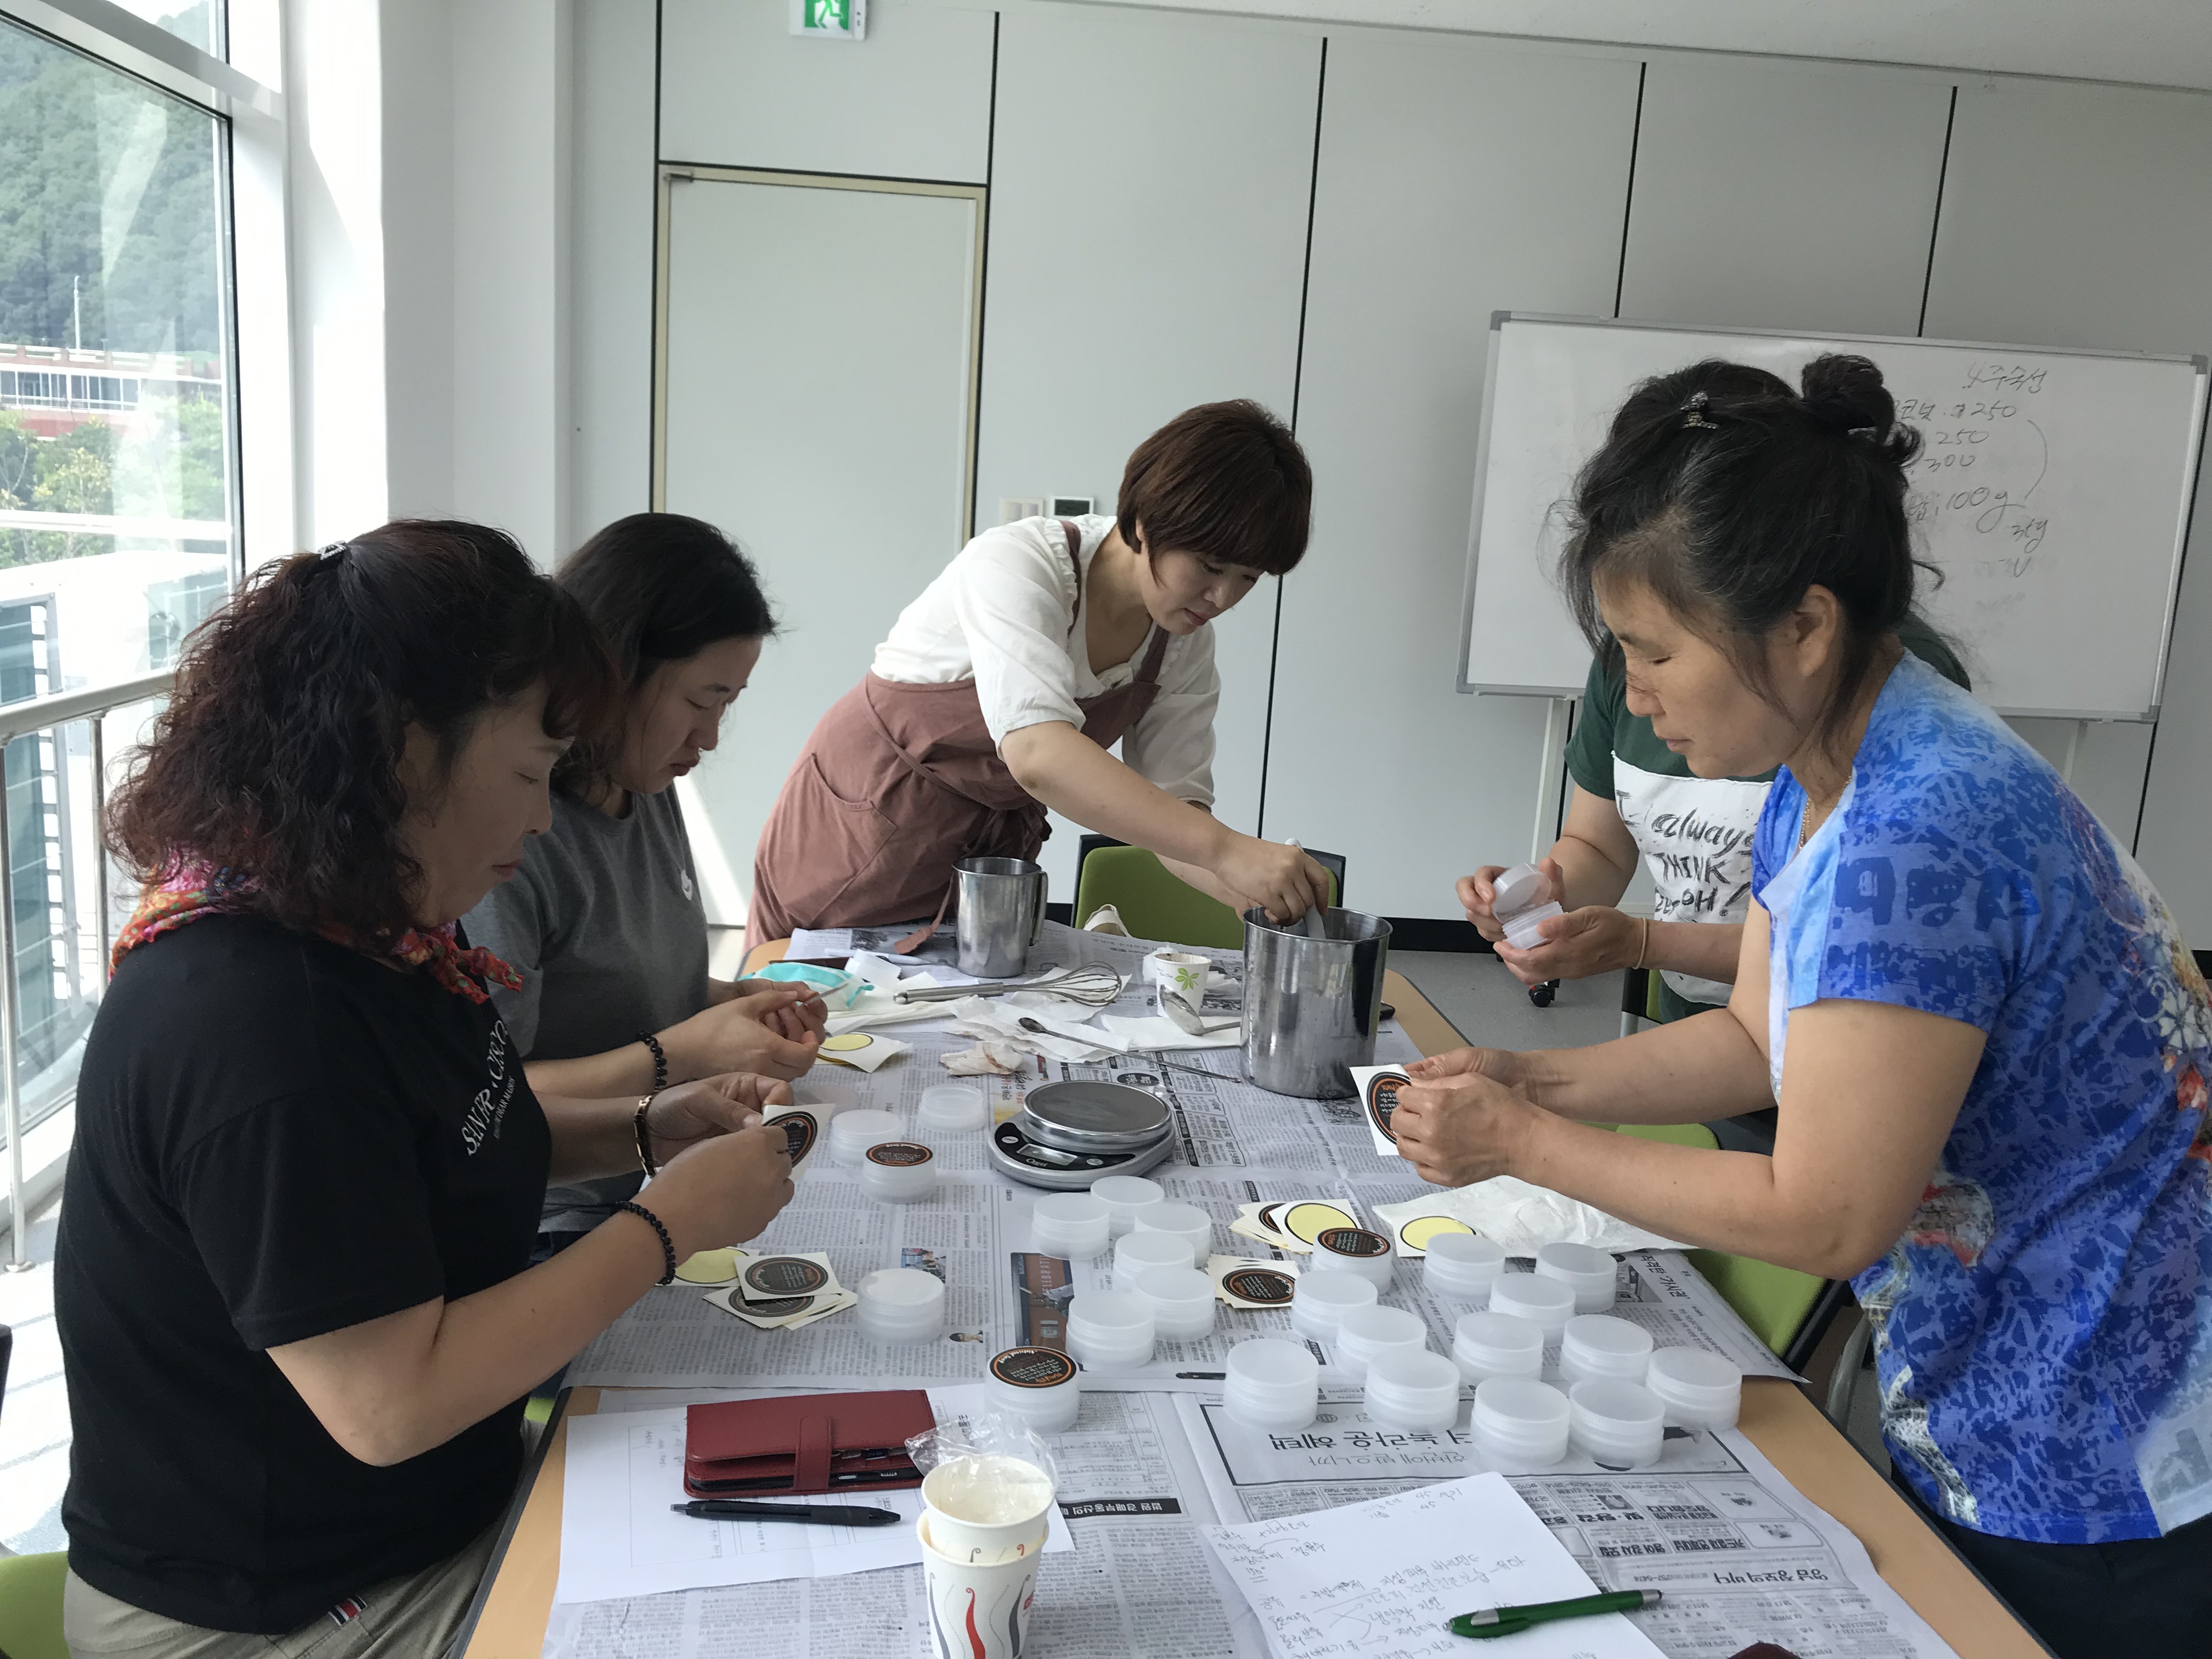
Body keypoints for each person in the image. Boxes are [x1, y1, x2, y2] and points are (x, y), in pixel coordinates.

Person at [1391, 357, 2212, 1659]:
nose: (1635, 695)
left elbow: (1828, 1214)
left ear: (1805, 628)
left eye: (1655, 653)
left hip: (2108, 1417)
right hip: (2014, 1359)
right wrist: (1528, 1078)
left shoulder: (1912, 835)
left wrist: (1526, 1145)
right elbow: (1751, 1037)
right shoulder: (1827, 766)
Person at [57, 522, 798, 1657]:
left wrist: (650, 1128)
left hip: (435, 1512)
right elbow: (390, 1404)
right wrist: (669, 1223)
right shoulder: (262, 1020)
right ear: (407, 752)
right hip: (285, 1603)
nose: (543, 818)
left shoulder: (382, 936)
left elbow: (451, 1141)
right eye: (528, 774)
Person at [1456, 363, 1968, 1024]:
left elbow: (1834, 957)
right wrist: (1540, 901)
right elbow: (1599, 845)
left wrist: (1644, 943)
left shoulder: (1894, 732)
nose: (1637, 696)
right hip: (1720, 1019)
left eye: (1660, 654)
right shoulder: (1666, 677)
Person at [747, 399, 1330, 952]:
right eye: (1210, 566)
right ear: (1146, 522)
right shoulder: (1019, 564)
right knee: (801, 999)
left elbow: (1174, 812)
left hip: (982, 865)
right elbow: (1037, 753)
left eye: (1249, 578)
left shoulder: (1183, 640)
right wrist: (1227, 851)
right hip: (866, 826)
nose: (1223, 598)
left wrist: (1248, 886)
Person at [465, 512, 826, 1252]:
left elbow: (618, 986)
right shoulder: (511, 841)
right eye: (699, 701)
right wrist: (686, 1051)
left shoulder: (647, 785)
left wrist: (736, 1004)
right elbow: (486, 1099)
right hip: (563, 1215)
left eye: (728, 705)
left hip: (670, 1161)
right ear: (615, 672)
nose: (710, 737)